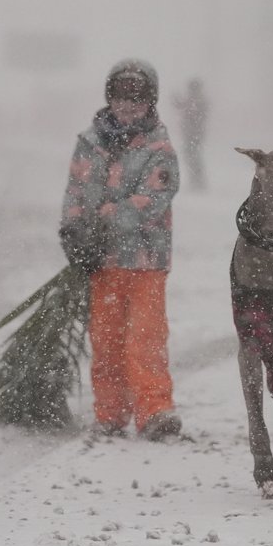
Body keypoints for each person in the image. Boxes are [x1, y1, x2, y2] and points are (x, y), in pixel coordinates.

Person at [59, 59, 183, 440]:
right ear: (109, 97)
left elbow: (153, 199)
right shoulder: (89, 144)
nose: (128, 106)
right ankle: (110, 412)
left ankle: (155, 410)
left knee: (145, 338)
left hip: (146, 262)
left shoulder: (158, 148)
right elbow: (76, 193)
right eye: (120, 96)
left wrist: (104, 223)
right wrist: (74, 233)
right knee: (107, 338)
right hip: (104, 263)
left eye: (138, 98)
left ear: (151, 101)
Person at [172, 77, 210, 191]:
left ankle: (198, 182)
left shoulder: (198, 101)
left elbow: (185, 107)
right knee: (191, 156)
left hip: (193, 134)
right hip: (191, 134)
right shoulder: (196, 100)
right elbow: (180, 105)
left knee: (192, 156)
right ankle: (196, 181)